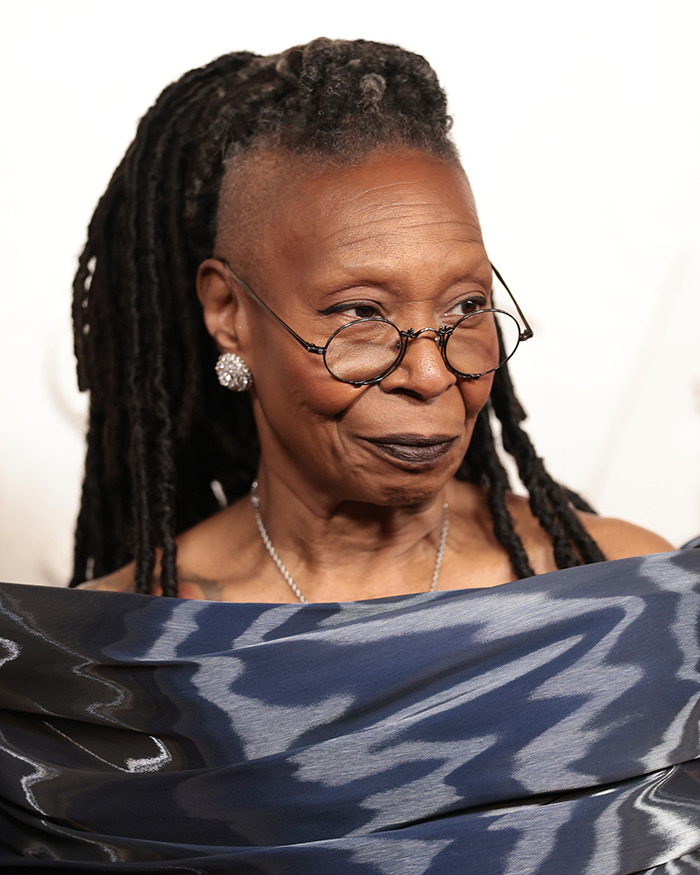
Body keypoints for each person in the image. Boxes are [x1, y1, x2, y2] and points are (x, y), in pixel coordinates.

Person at [0, 38, 698, 872]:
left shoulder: (636, 608)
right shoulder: (97, 682)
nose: (433, 369)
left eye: (467, 304)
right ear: (229, 312)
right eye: (361, 313)